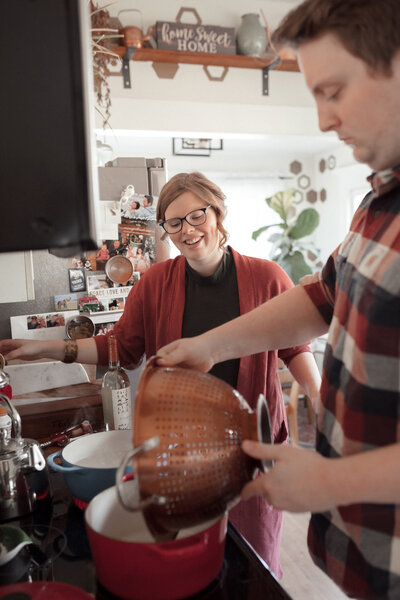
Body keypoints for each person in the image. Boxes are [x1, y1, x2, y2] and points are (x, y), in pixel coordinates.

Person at [154, 3, 400, 599]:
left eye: (333, 90)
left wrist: (336, 480)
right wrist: (209, 346)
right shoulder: (380, 203)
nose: (322, 120)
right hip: (373, 557)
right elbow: (322, 296)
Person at [0, 171, 321, 578]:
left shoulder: (267, 276)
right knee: (190, 561)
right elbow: (121, 348)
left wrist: (318, 395)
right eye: (174, 222)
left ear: (217, 214)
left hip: (251, 452)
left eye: (196, 216)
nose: (187, 231)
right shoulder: (154, 283)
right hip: (178, 454)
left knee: (252, 568)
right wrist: (45, 347)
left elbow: (296, 346)